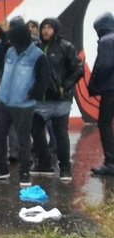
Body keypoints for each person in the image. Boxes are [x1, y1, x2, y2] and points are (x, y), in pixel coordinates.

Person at [0, 18, 48, 186]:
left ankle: (24, 172)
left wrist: (31, 94)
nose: (10, 40)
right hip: (4, 100)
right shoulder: (10, 51)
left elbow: (43, 81)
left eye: (13, 37)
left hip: (23, 104)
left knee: (23, 138)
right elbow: (4, 70)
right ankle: (1, 169)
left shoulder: (38, 56)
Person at [30, 18, 83, 181]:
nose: (46, 30)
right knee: (37, 133)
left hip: (60, 100)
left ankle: (65, 168)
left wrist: (64, 86)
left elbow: (78, 70)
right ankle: (44, 164)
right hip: (39, 100)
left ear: (55, 29)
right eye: (43, 27)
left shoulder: (66, 47)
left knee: (61, 135)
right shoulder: (35, 47)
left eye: (49, 27)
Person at [88, 12, 114, 177]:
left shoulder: (106, 41)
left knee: (104, 123)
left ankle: (111, 162)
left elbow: (103, 65)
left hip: (110, 88)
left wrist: (94, 84)